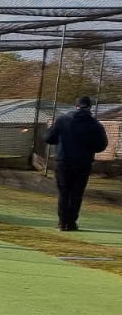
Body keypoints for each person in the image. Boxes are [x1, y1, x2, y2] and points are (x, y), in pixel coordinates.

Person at [45, 95, 109, 231]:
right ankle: (72, 222)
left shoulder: (62, 120)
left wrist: (59, 139)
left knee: (64, 192)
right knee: (77, 193)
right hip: (83, 162)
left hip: (63, 161)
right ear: (90, 107)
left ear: (76, 106)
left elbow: (49, 138)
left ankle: (62, 222)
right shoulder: (95, 124)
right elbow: (102, 145)